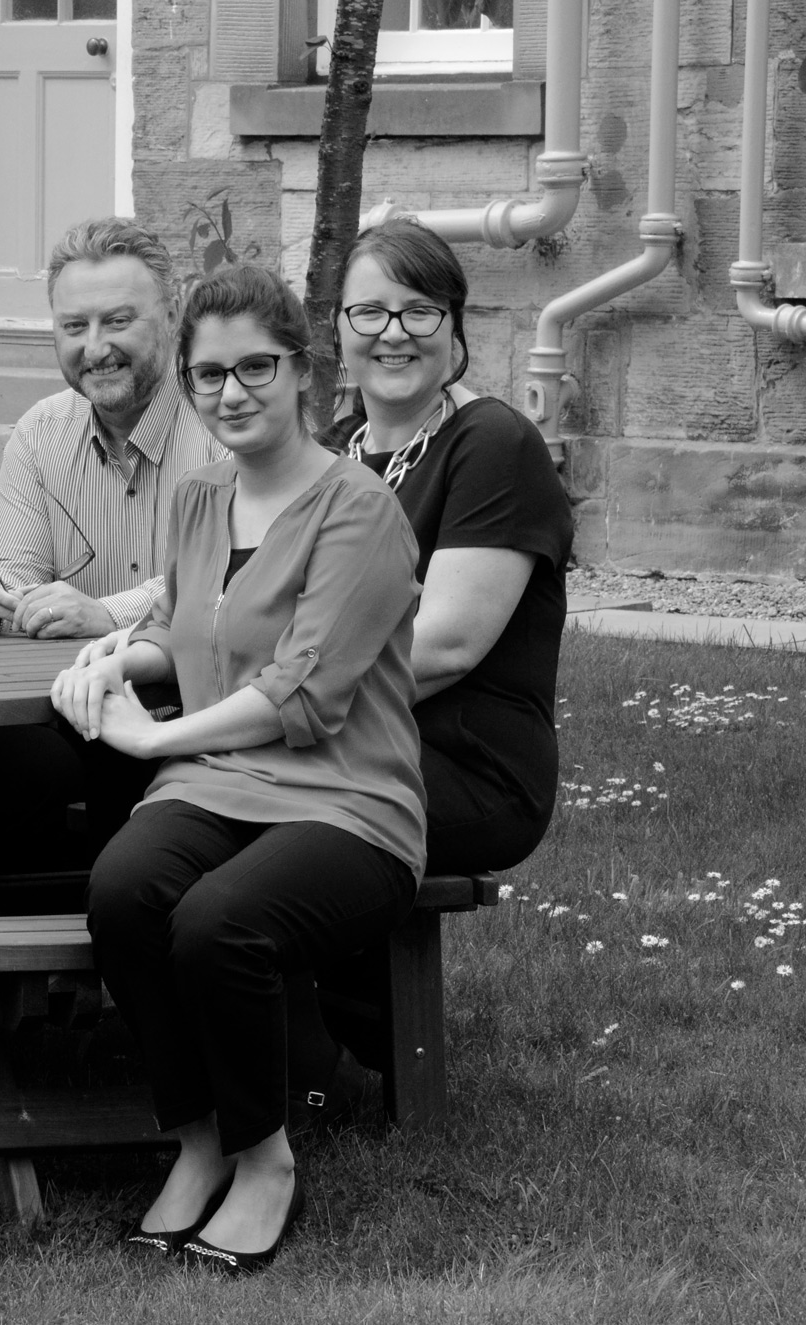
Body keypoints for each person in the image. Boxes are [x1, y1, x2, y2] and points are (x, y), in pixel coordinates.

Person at [52, 264, 423, 1274]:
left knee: (223, 922)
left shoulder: (357, 510)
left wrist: (151, 739)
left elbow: (302, 694)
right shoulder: (201, 494)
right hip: (221, 783)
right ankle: (197, 1136)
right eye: (208, 374)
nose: (231, 392)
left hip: (345, 800)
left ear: (302, 371)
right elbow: (182, 628)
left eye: (255, 367)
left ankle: (263, 1157)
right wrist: (108, 662)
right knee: (125, 891)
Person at [295, 217, 575, 1104]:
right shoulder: (332, 450)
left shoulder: (491, 445)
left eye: (419, 313)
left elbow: (447, 643)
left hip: (465, 763)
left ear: (456, 330)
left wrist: (278, 701)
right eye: (369, 312)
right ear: (337, 329)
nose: (392, 334)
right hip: (349, 738)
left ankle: (320, 1060)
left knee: (258, 797)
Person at [0, 218, 225, 872]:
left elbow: (217, 585)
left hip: (199, 705)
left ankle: (101, 959)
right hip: (65, 707)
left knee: (115, 758)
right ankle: (2, 967)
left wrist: (109, 617)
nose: (95, 347)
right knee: (16, 759)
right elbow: (9, 575)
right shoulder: (41, 434)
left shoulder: (219, 423)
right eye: (74, 327)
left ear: (172, 313)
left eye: (117, 321)